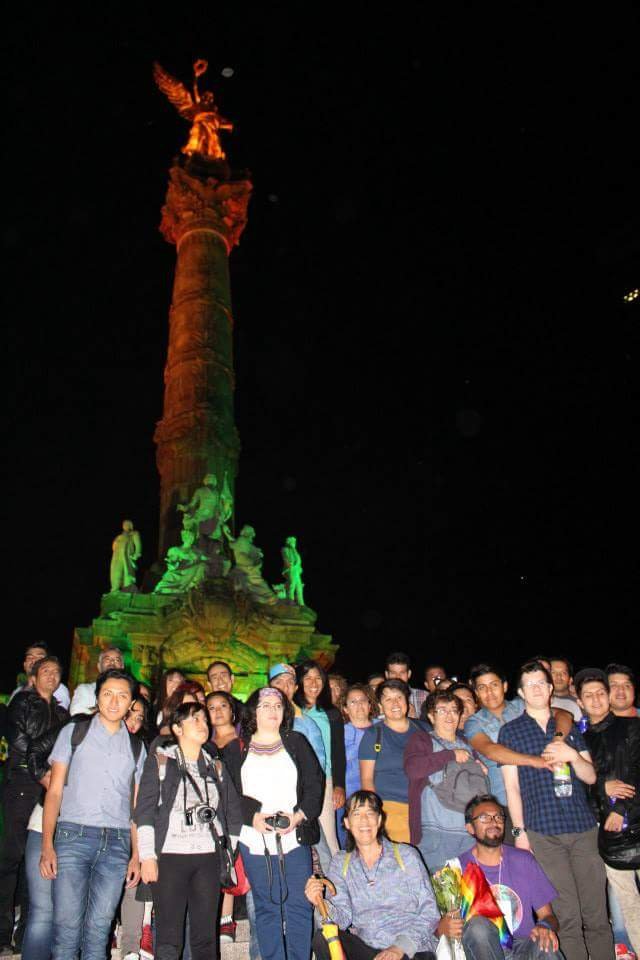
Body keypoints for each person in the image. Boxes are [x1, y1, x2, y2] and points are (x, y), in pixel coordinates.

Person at [498, 659, 613, 960]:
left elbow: (590, 777)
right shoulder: (510, 732)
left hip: (583, 827)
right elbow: (512, 788)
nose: (536, 689)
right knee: (567, 916)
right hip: (543, 832)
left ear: (550, 688)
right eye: (529, 685)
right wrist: (520, 833)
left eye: (541, 683)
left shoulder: (568, 726)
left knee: (597, 914)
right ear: (521, 693)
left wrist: (571, 754)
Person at [40, 668, 146, 960]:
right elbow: (55, 792)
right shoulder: (74, 733)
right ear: (97, 697)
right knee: (66, 928)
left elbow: (137, 808)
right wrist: (47, 845)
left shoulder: (137, 748)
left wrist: (136, 855)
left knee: (100, 930)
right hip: (73, 836)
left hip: (116, 843)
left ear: (130, 703)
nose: (114, 701)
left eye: (122, 695)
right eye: (107, 693)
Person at [135, 701, 243, 960]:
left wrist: (228, 850)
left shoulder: (215, 766)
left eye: (204, 720)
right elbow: (145, 811)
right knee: (169, 939)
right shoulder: (161, 761)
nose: (202, 724)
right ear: (177, 728)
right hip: (170, 856)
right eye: (194, 719)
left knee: (205, 938)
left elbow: (233, 812)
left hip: (208, 858)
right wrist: (147, 856)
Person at [238, 686, 324, 960]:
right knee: (266, 907)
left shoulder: (296, 741)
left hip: (294, 837)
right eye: (265, 705)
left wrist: (297, 816)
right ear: (253, 711)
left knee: (299, 904)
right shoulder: (236, 747)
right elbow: (227, 794)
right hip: (255, 840)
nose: (273, 710)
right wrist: (252, 817)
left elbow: (315, 784)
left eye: (278, 705)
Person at [304, 790, 439, 960]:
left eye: (370, 813)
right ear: (347, 822)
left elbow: (430, 911)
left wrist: (399, 948)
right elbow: (342, 919)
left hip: (411, 950)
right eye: (357, 813)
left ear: (379, 820)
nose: (364, 820)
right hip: (368, 949)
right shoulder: (341, 863)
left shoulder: (406, 855)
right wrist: (319, 902)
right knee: (323, 938)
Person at [0, 656, 68, 956]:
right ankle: (3, 929)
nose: (51, 676)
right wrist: (40, 773)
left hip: (50, 788)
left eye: (56, 672)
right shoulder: (22, 703)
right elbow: (17, 739)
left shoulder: (63, 713)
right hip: (23, 783)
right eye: (46, 672)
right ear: (34, 676)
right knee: (11, 857)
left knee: (37, 857)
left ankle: (26, 930)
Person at [442, 794, 563, 960]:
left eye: (498, 816)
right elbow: (439, 926)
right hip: (481, 950)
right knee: (478, 927)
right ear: (470, 828)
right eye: (484, 818)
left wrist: (544, 926)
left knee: (546, 942)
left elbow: (549, 916)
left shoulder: (524, 860)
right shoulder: (456, 869)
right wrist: (442, 928)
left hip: (523, 946)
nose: (494, 822)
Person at [575, 668, 640, 956]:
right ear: (579, 702)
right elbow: (578, 787)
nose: (596, 699)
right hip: (609, 833)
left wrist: (621, 809)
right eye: (588, 695)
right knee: (628, 903)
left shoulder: (631, 727)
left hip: (631, 817)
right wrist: (603, 786)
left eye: (601, 692)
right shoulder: (579, 740)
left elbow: (637, 771)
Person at [465, 663, 572, 814]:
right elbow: (490, 750)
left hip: (542, 795)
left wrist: (558, 739)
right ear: (476, 692)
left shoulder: (523, 706)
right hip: (504, 802)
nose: (489, 692)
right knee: (516, 834)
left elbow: (564, 715)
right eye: (482, 687)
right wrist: (533, 761)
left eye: (494, 685)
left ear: (505, 686)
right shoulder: (474, 722)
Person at [404, 688, 486, 870]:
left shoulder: (468, 744)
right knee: (438, 889)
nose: (449, 715)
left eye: (454, 710)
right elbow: (413, 769)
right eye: (442, 710)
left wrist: (480, 767)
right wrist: (450, 755)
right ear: (431, 716)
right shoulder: (422, 739)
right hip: (435, 833)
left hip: (469, 832)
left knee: (471, 890)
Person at [359, 679, 425, 842]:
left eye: (399, 697)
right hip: (392, 808)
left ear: (407, 702)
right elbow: (367, 780)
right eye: (388, 699)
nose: (395, 703)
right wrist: (375, 814)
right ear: (380, 706)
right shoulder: (373, 734)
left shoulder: (423, 729)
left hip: (426, 808)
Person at [294, 660, 346, 856]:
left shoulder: (331, 714)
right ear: (299, 682)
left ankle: (338, 885)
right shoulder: (290, 711)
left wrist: (338, 785)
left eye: (318, 678)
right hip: (296, 781)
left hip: (325, 780)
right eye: (308, 678)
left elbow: (338, 753)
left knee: (329, 838)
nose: (314, 683)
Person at [338, 684, 377, 848]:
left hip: (378, 795)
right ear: (345, 708)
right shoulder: (339, 732)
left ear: (369, 705)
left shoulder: (381, 728)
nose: (359, 705)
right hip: (348, 798)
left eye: (362, 700)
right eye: (353, 702)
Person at [9, 645, 71, 711]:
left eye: (40, 657)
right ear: (24, 665)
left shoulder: (57, 688)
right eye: (30, 657)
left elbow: (58, 717)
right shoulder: (17, 691)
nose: (34, 660)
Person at [69, 645, 125, 715]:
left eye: (117, 660)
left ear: (122, 667)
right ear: (99, 666)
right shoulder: (85, 690)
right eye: (107, 659)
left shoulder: (127, 693)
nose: (112, 662)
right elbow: (76, 713)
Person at [384, 652, 426, 719]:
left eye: (402, 673)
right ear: (387, 674)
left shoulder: (424, 696)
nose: (398, 677)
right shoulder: (380, 698)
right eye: (393, 673)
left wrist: (415, 719)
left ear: (409, 674)